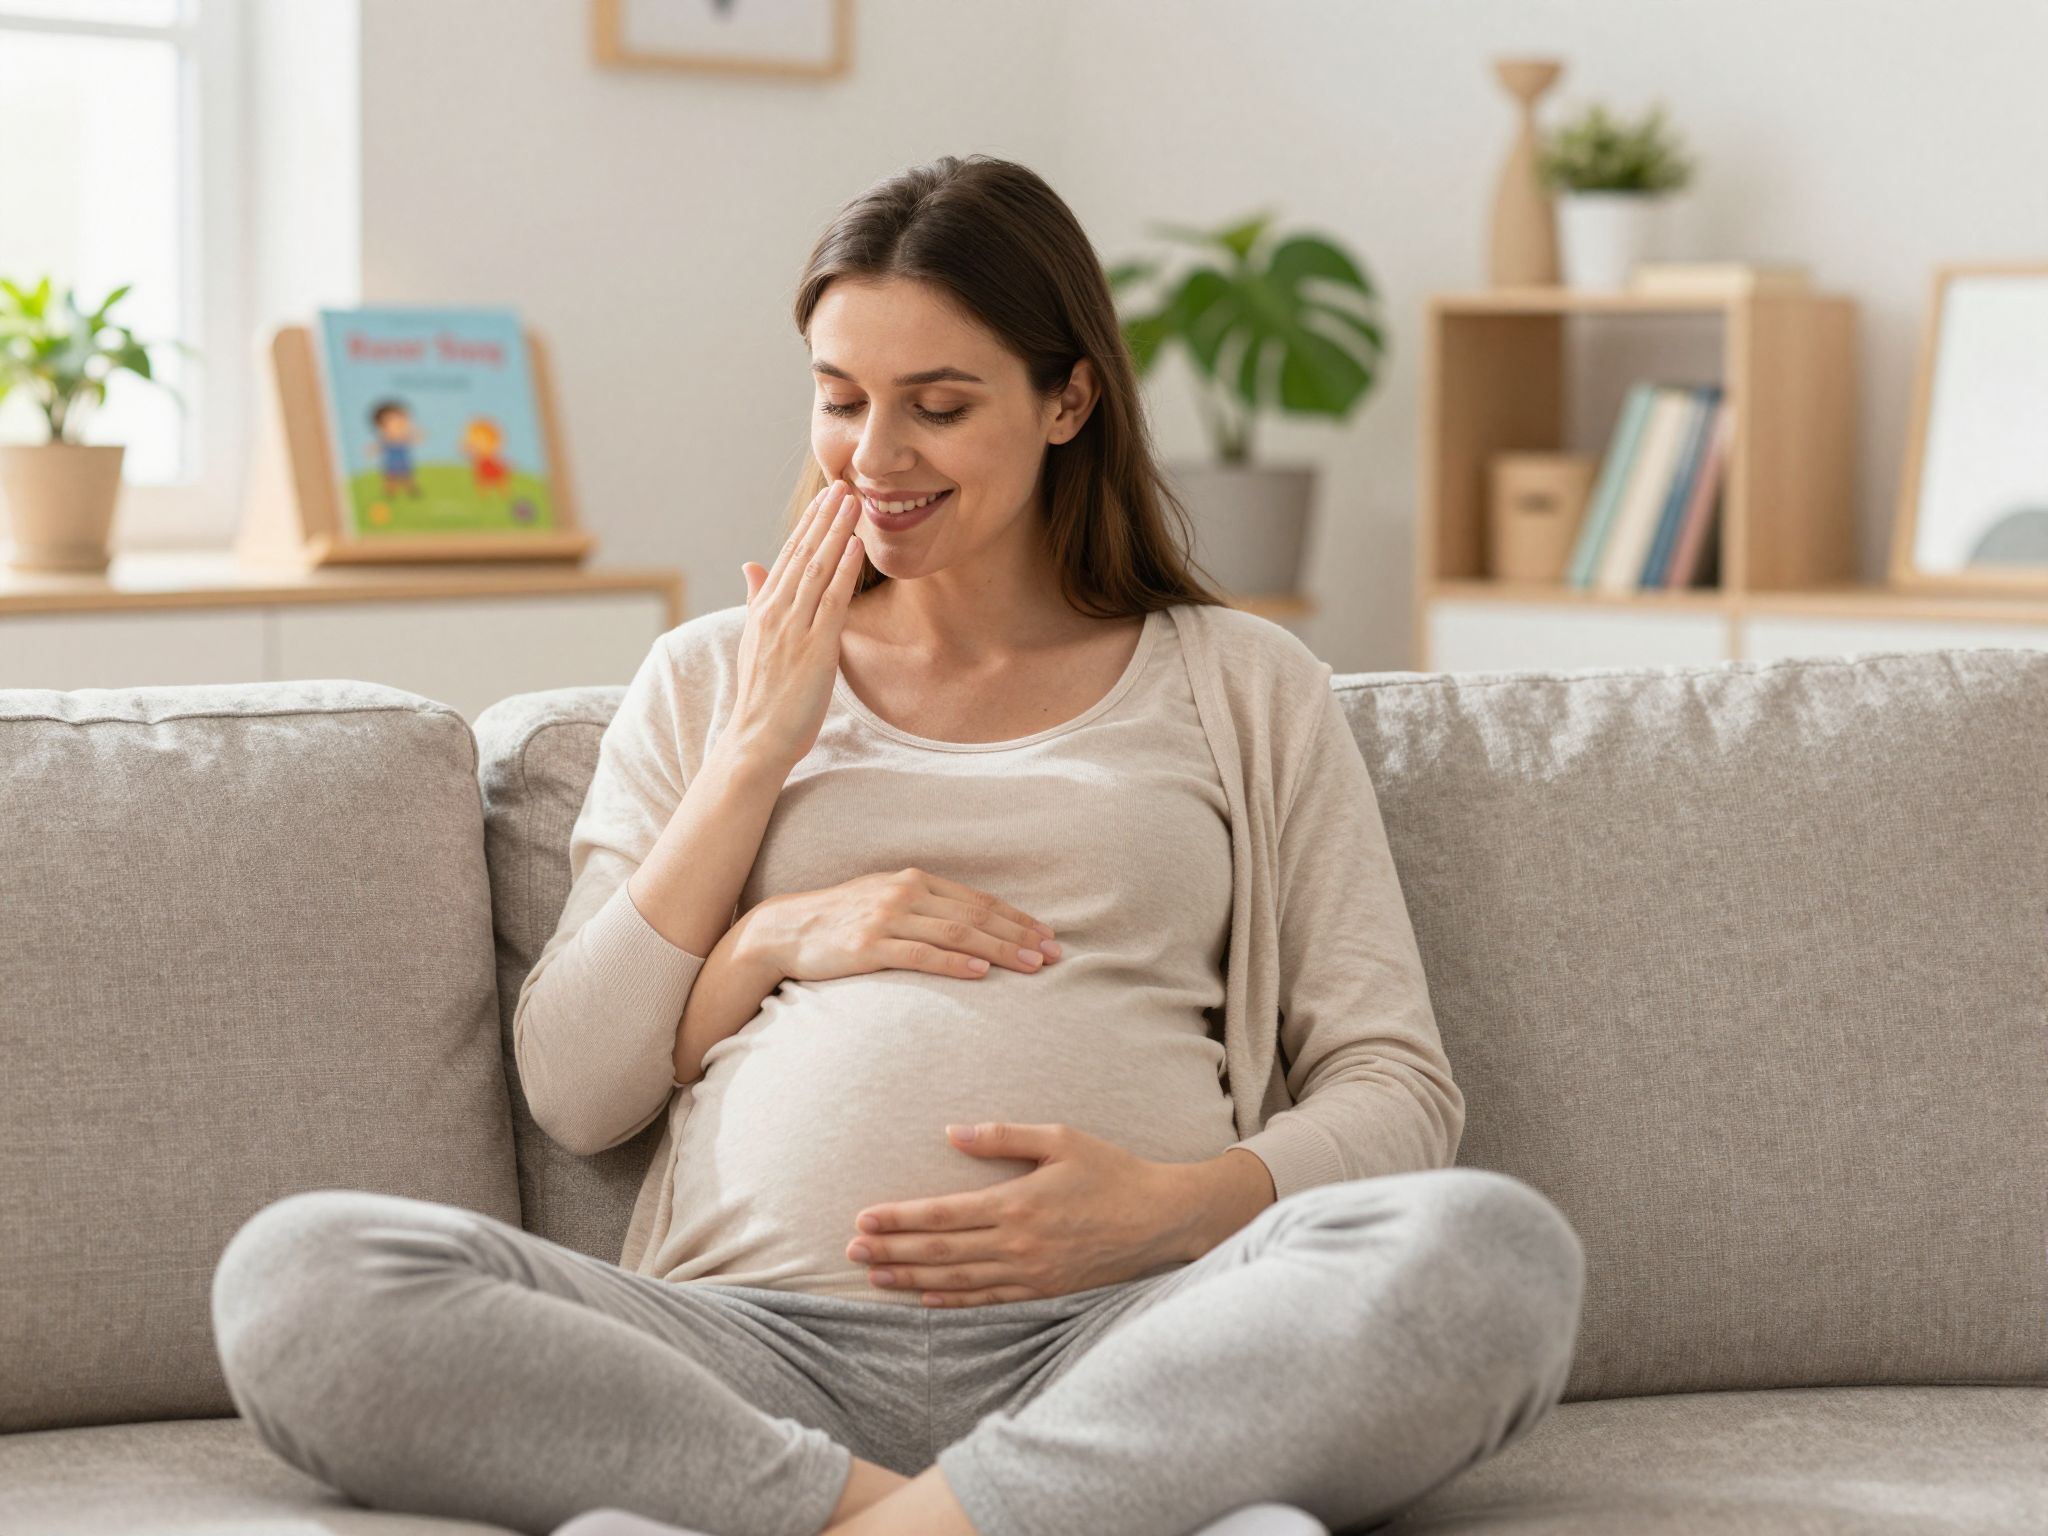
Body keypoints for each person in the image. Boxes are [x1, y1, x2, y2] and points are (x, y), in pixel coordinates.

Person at [209, 154, 1585, 1536]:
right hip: (747, 1356)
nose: (874, 458)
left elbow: (1396, 1086)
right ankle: (988, 1517)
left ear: (1069, 398)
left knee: (1492, 1257)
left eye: (938, 406)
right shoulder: (706, 680)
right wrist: (761, 810)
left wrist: (1173, 1210)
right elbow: (575, 1089)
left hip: (1133, 1341)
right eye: (841, 398)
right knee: (302, 1277)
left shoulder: (1241, 681)